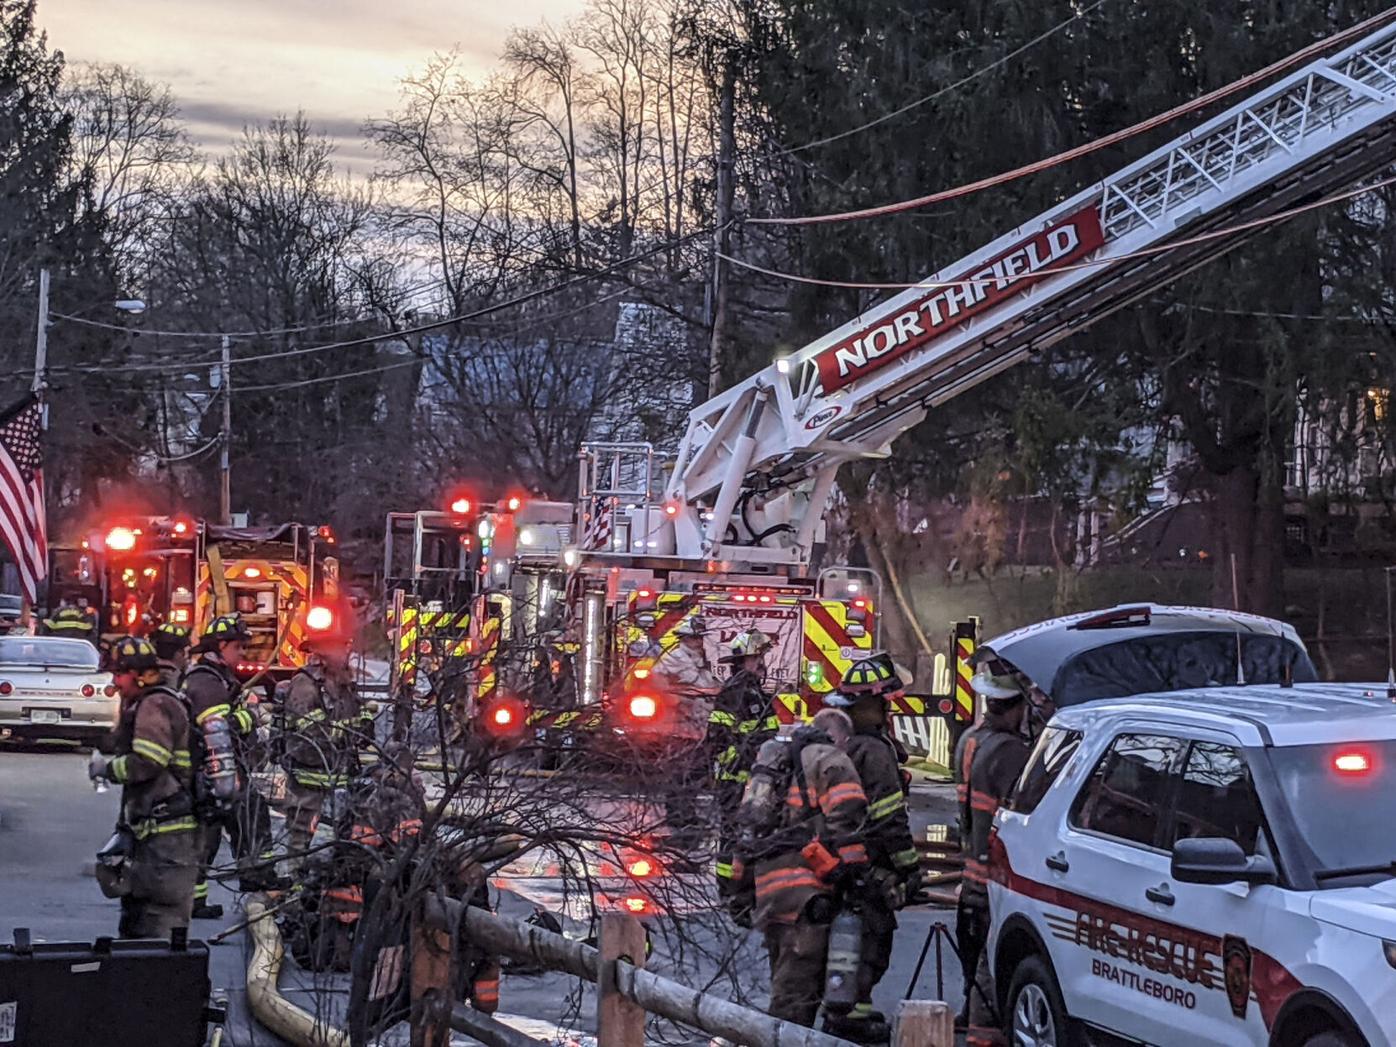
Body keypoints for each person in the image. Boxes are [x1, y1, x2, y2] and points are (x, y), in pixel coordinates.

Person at [745, 707, 869, 1028]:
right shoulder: (832, 761)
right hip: (807, 897)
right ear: (841, 737)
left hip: (771, 891)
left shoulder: (782, 759)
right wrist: (855, 877)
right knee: (795, 998)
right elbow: (848, 822)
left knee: (784, 977)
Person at [822, 656, 922, 1044]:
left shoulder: (846, 745)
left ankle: (845, 1009)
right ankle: (851, 1016)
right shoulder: (875, 752)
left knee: (850, 935)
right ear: (871, 705)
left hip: (842, 859)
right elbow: (888, 819)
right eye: (885, 702)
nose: (889, 708)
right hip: (869, 862)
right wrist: (909, 868)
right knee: (873, 940)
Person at [88, 636, 200, 937]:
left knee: (160, 921)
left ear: (138, 675)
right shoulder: (147, 702)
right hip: (154, 832)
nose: (115, 681)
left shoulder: (155, 704)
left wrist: (107, 769)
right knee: (139, 917)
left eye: (119, 673)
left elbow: (149, 761)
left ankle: (162, 978)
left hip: (167, 836)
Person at [953, 658, 1032, 1027]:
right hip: (994, 876)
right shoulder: (1010, 751)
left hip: (971, 871)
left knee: (973, 955)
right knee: (989, 956)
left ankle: (971, 1013)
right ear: (1016, 706)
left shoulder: (970, 740)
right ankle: (983, 1024)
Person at [185, 614, 276, 901]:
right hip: (213, 769)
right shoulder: (205, 682)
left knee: (243, 816)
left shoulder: (219, 679)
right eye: (237, 647)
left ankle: (254, 877)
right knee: (226, 825)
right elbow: (216, 727)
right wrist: (249, 716)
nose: (242, 653)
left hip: (224, 767)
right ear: (221, 646)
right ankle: (250, 877)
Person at [281, 618, 368, 872]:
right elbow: (312, 733)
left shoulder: (343, 682)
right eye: (341, 648)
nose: (346, 653)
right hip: (308, 780)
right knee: (302, 839)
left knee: (336, 840)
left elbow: (357, 712)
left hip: (338, 778)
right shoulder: (305, 686)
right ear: (324, 652)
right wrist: (347, 733)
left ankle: (324, 890)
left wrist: (364, 725)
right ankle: (295, 886)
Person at [709, 630, 780, 910]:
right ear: (743, 661)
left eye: (762, 657)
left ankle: (748, 889)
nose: (762, 664)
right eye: (757, 658)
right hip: (735, 781)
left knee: (755, 835)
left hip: (756, 781)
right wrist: (739, 764)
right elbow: (717, 738)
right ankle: (729, 891)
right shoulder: (732, 694)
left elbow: (769, 739)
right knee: (732, 837)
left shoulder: (759, 696)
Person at [649, 615, 721, 843]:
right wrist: (675, 701)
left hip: (697, 730)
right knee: (680, 776)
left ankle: (687, 816)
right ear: (686, 638)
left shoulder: (699, 660)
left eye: (701, 638)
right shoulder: (675, 657)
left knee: (692, 777)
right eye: (695, 638)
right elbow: (656, 679)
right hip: (680, 731)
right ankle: (679, 818)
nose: (699, 642)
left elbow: (706, 687)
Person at [151, 622, 191, 689]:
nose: (187, 659)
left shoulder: (145, 677)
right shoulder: (179, 680)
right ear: (179, 653)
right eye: (186, 653)